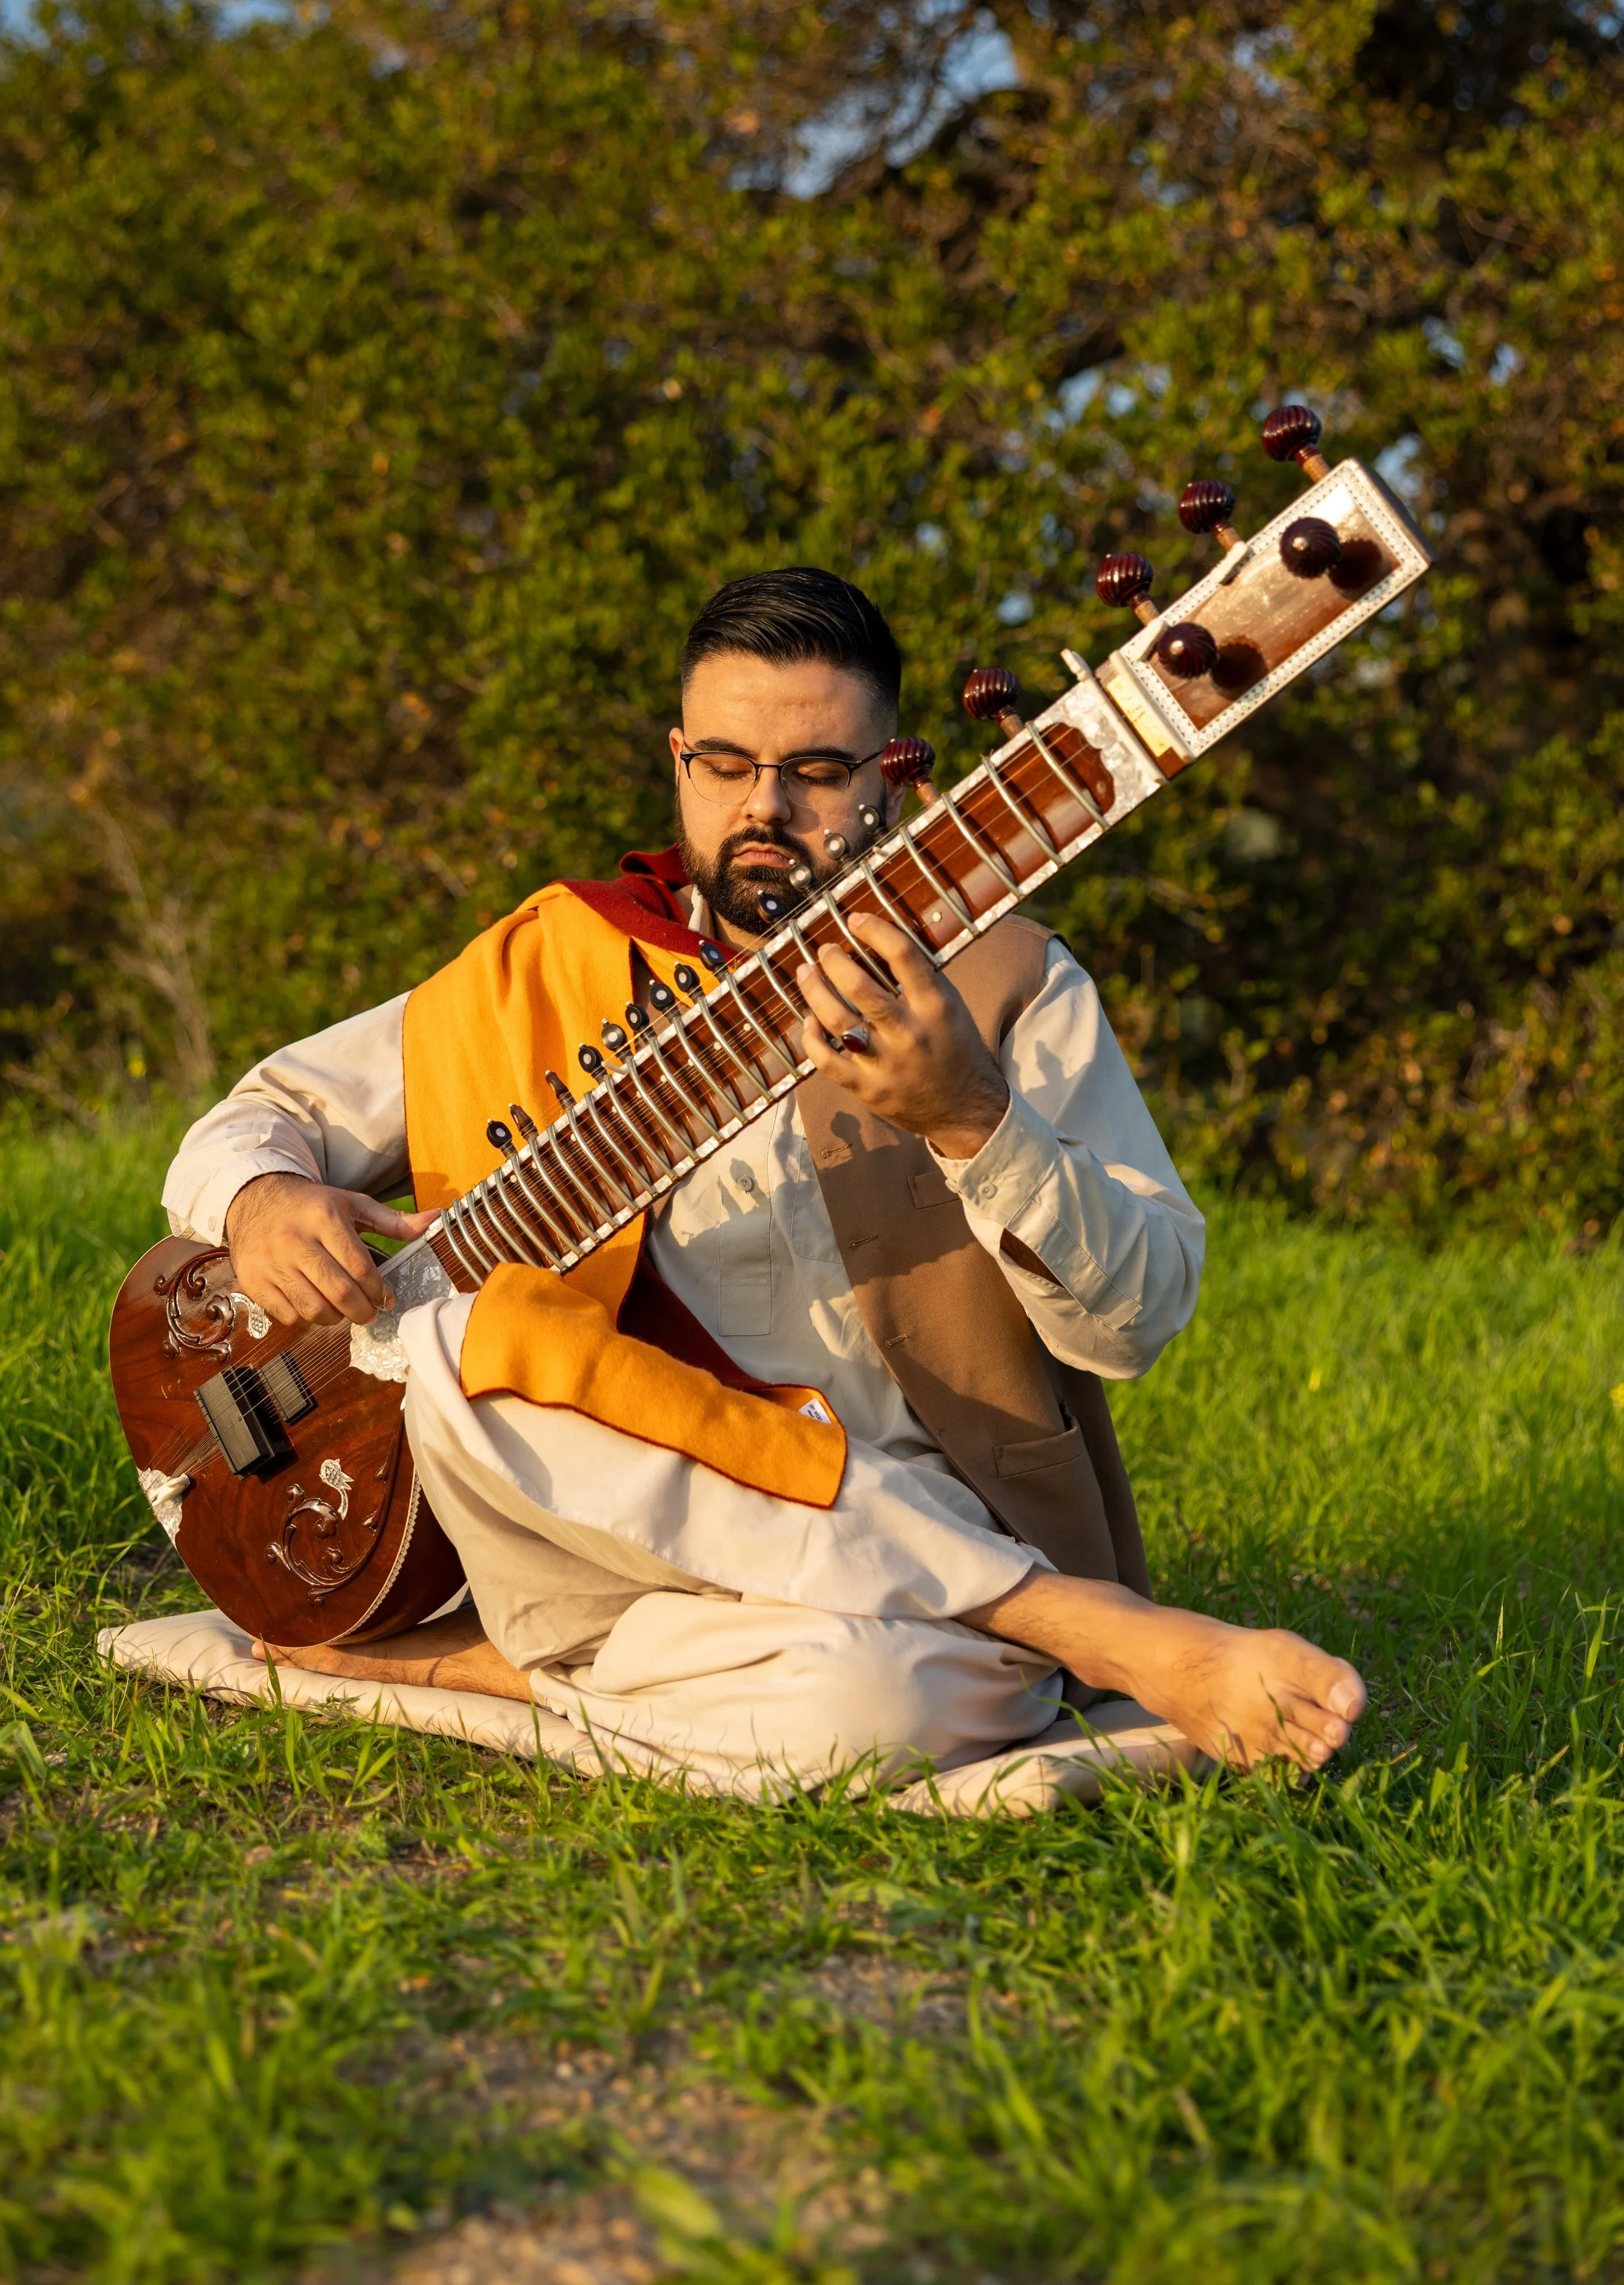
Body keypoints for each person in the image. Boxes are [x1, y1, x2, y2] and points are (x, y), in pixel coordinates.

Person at [162, 568, 1365, 1793]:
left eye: (817, 772)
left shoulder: (1005, 989)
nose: (763, 807)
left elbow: (1138, 1319)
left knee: (872, 1712)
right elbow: (256, 1122)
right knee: (466, 1338)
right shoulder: (554, 956)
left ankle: (495, 1668)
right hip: (605, 1528)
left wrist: (971, 1117)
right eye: (725, 766)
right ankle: (1087, 1630)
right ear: (679, 760)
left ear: (892, 772)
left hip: (915, 1542)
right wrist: (265, 1202)